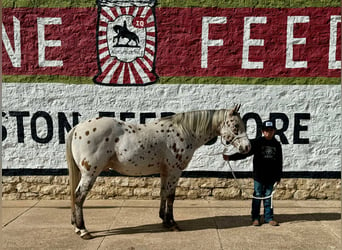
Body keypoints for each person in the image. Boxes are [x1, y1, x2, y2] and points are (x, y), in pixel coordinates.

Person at [223, 120, 283, 226]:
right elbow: (245, 153)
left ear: (274, 131)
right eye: (266, 130)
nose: (269, 132)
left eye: (271, 130)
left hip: (271, 177)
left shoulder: (277, 145)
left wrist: (278, 177)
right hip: (259, 176)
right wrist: (231, 157)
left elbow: (279, 161)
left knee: (269, 197)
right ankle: (255, 217)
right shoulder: (257, 142)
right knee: (257, 196)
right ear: (262, 131)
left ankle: (269, 218)